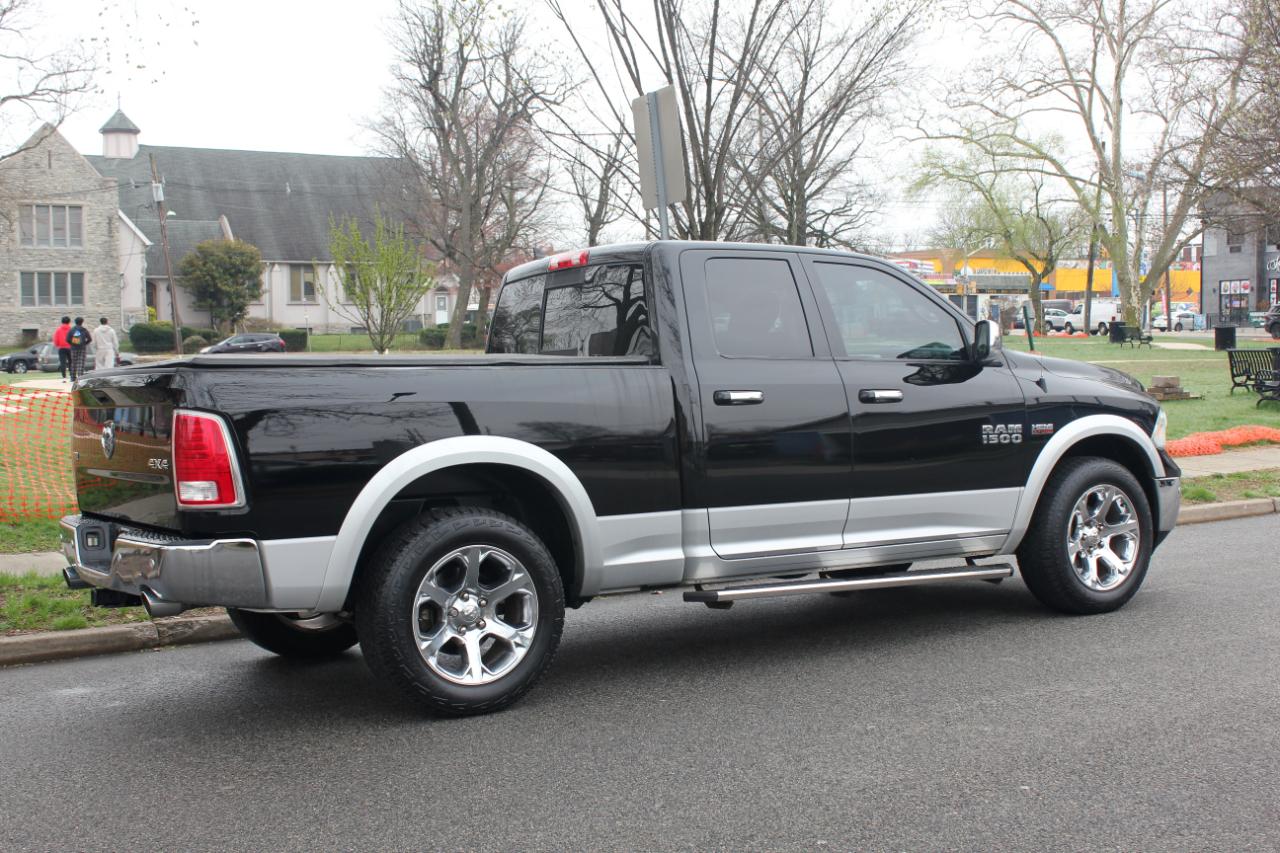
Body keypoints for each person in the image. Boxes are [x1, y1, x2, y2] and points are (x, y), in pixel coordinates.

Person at [67, 316, 92, 382]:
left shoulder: (72, 330)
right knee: (81, 362)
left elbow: (67, 339)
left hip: (73, 348)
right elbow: (90, 339)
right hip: (82, 348)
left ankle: (72, 377)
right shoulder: (84, 330)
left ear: (75, 322)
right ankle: (80, 377)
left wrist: (72, 344)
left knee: (73, 362)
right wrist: (84, 344)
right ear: (82, 322)